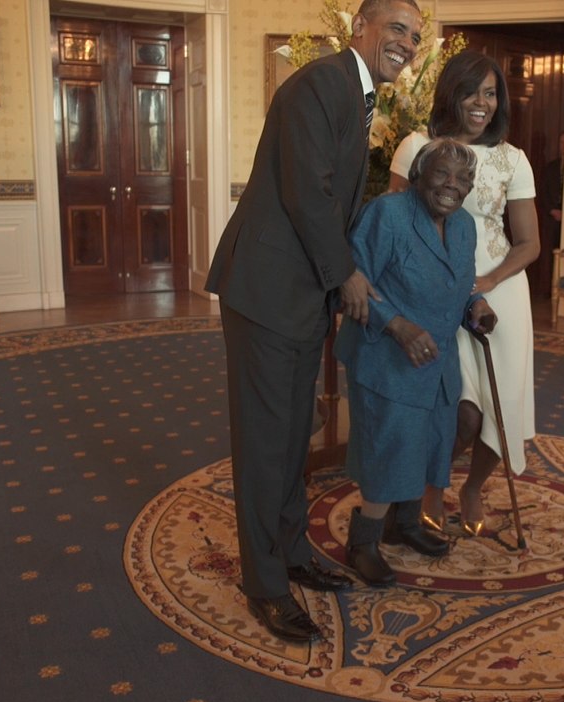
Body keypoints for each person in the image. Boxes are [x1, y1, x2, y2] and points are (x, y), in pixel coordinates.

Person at [206, 0, 423, 642]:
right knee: (265, 445)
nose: (407, 43)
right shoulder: (325, 81)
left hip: (299, 295)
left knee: (293, 436)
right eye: (397, 29)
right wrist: (348, 276)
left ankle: (294, 555)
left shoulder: (357, 96)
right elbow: (309, 191)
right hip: (267, 291)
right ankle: (265, 585)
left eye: (415, 35)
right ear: (361, 27)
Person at [389, 50, 540, 539]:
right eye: (473, 91)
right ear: (450, 93)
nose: (482, 104)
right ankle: (431, 486)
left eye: (492, 94)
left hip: (500, 291)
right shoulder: (415, 146)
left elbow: (529, 242)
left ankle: (473, 488)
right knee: (462, 411)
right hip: (434, 294)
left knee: (503, 406)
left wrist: (489, 282)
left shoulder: (513, 159)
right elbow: (393, 228)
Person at [335, 138, 497, 585]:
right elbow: (353, 284)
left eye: (464, 178)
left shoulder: (463, 225)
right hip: (386, 352)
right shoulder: (386, 214)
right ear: (419, 175)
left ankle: (403, 525)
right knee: (391, 446)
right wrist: (399, 327)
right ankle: (363, 543)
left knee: (430, 442)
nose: (454, 186)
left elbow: (459, 281)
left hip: (437, 357)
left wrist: (476, 307)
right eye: (443, 174)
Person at [535, 131, 564, 297]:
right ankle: (545, 290)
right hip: (550, 219)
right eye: (561, 143)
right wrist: (552, 210)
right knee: (547, 256)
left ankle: (559, 290)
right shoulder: (550, 168)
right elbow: (543, 193)